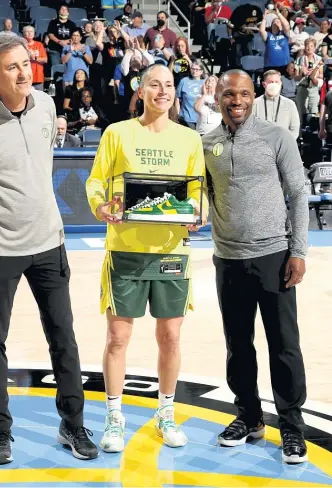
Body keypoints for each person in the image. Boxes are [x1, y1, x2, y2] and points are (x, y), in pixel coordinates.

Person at [0, 34, 98, 465]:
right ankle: (0, 432)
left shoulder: (46, 106)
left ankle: (72, 422)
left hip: (49, 242)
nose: (23, 72)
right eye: (12, 67)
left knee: (63, 338)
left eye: (26, 63)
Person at [85, 63, 208, 454]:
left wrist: (199, 214)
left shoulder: (189, 139)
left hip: (172, 252)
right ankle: (114, 417)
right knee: (118, 338)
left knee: (170, 336)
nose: (163, 91)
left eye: (169, 85)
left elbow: (196, 193)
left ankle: (166, 412)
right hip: (125, 249)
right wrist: (100, 206)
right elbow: (95, 181)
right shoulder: (117, 133)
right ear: (140, 89)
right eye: (155, 84)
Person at [203, 69, 308, 464]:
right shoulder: (206, 143)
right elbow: (200, 197)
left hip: (274, 257)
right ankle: (248, 416)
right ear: (218, 97)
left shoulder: (276, 137)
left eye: (244, 93)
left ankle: (292, 427)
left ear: (255, 95)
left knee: (283, 346)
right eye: (230, 94)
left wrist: (298, 251)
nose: (237, 101)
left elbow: (298, 193)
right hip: (227, 259)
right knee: (238, 345)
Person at [253, 69, 300, 139]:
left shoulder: (290, 104)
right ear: (264, 84)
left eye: (276, 82)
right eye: (271, 82)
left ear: (281, 83)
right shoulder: (255, 103)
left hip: (284, 146)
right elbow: (250, 128)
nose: (274, 84)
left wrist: (286, 144)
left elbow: (295, 130)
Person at [259, 8, 291, 74]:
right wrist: (264, 18)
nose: (277, 22)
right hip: (270, 67)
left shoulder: (284, 34)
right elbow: (261, 30)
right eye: (275, 21)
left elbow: (287, 25)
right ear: (271, 25)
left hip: (284, 66)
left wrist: (278, 14)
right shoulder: (268, 35)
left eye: (279, 21)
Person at [175, 61, 204, 129]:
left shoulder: (205, 82)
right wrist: (177, 114)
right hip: (186, 117)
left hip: (201, 118)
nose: (194, 71)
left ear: (201, 71)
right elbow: (177, 99)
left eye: (197, 70)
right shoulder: (184, 81)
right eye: (192, 69)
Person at [23, 25, 47, 91]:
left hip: (38, 78)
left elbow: (45, 60)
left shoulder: (39, 45)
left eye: (31, 31)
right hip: (25, 78)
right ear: (23, 33)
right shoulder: (21, 45)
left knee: (39, 99)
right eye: (27, 31)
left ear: (34, 33)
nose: (29, 33)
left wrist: (34, 58)